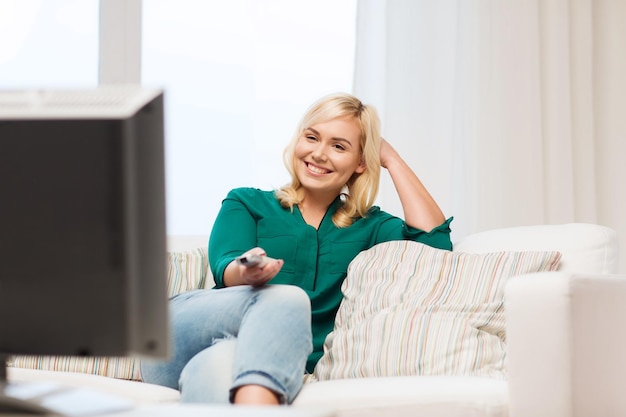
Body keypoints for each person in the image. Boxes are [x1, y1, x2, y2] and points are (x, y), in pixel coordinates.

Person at [140, 93, 453, 406]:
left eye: (338, 146)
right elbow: (225, 267)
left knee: (215, 369)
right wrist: (248, 273)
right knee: (286, 298)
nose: (319, 154)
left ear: (361, 162)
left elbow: (434, 247)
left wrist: (391, 160)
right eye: (312, 137)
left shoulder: (370, 226)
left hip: (261, 358)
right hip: (179, 338)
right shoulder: (247, 202)